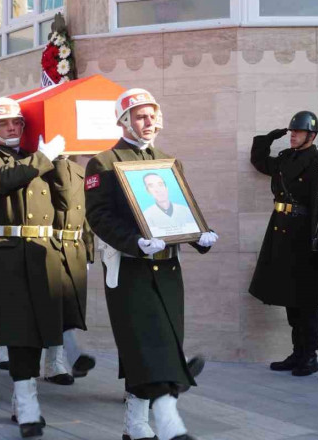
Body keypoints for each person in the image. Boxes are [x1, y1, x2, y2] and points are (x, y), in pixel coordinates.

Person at [85, 88, 218, 440]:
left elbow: (179, 212)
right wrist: (135, 242)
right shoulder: (102, 162)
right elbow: (98, 217)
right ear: (124, 121)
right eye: (141, 116)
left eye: (153, 115)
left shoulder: (167, 161)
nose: (150, 122)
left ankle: (135, 424)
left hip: (168, 269)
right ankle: (170, 424)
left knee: (155, 345)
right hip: (130, 269)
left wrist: (200, 234)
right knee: (147, 345)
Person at [0, 97, 66, 438]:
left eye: (17, 123)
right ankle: (27, 403)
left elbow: (65, 197)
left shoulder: (36, 157)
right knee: (18, 327)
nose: (11, 128)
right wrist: (44, 158)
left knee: (41, 326)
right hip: (8, 251)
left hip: (42, 250)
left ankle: (21, 395)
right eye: (4, 124)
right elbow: (1, 181)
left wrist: (63, 160)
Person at [248, 110, 318, 377]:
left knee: (305, 299)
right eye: (291, 131)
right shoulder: (284, 158)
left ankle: (309, 355)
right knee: (290, 296)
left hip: (304, 233)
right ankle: (297, 352)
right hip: (281, 230)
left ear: (311, 136)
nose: (292, 135)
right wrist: (268, 138)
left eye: (298, 132)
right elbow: (258, 161)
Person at [43, 154, 98, 385]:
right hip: (48, 244)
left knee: (68, 306)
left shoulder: (78, 170)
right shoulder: (40, 167)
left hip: (74, 246)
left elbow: (83, 215)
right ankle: (58, 362)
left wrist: (88, 250)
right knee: (54, 306)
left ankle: (57, 362)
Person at [140, 173, 199, 237]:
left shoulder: (186, 210)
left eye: (160, 184)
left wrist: (201, 235)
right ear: (148, 191)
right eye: (151, 186)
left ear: (166, 188)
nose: (158, 190)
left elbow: (193, 232)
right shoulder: (146, 215)